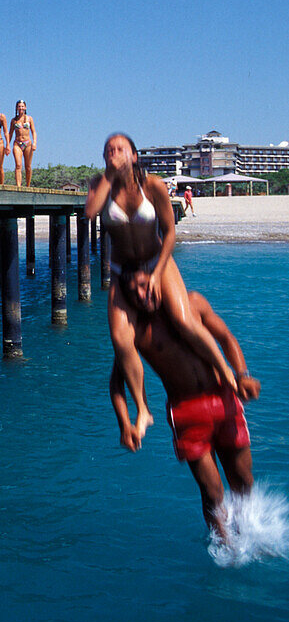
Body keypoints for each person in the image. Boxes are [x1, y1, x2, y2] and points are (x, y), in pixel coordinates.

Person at [86, 133, 237, 439]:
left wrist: (156, 274)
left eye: (120, 149)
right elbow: (90, 212)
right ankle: (143, 410)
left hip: (159, 261)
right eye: (108, 150)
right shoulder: (99, 184)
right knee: (120, 338)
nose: (113, 153)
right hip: (121, 270)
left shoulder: (152, 186)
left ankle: (226, 373)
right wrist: (109, 176)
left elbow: (169, 232)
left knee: (183, 319)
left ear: (134, 156)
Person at [109, 275, 260, 535]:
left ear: (157, 280)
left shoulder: (193, 303)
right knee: (213, 493)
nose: (143, 296)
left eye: (145, 286)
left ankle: (250, 532)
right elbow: (116, 384)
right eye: (134, 294)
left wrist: (242, 375)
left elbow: (226, 337)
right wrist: (125, 424)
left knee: (243, 481)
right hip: (187, 413)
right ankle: (226, 548)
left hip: (224, 398)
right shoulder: (135, 333)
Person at [8, 100, 37, 186]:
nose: (21, 108)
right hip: (17, 143)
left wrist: (34, 142)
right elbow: (10, 133)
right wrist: (7, 146)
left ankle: (28, 185)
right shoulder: (13, 120)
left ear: (25, 107)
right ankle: (18, 186)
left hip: (27, 143)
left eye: (22, 106)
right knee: (18, 165)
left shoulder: (29, 118)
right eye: (19, 106)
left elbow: (33, 131)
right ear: (16, 108)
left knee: (28, 166)